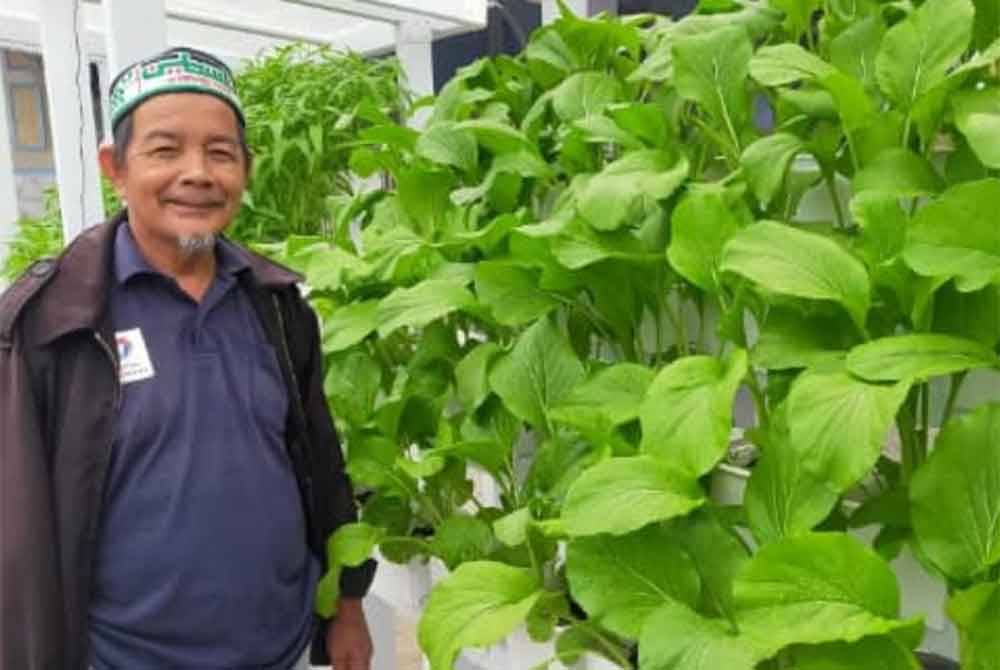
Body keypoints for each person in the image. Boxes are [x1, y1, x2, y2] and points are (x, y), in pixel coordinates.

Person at [0, 47, 375, 670]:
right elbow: (18, 527)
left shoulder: (277, 306)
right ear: (115, 167)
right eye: (165, 150)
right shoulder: (54, 322)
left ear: (246, 170)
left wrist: (349, 604)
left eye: (220, 152)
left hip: (276, 649)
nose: (197, 173)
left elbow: (319, 460)